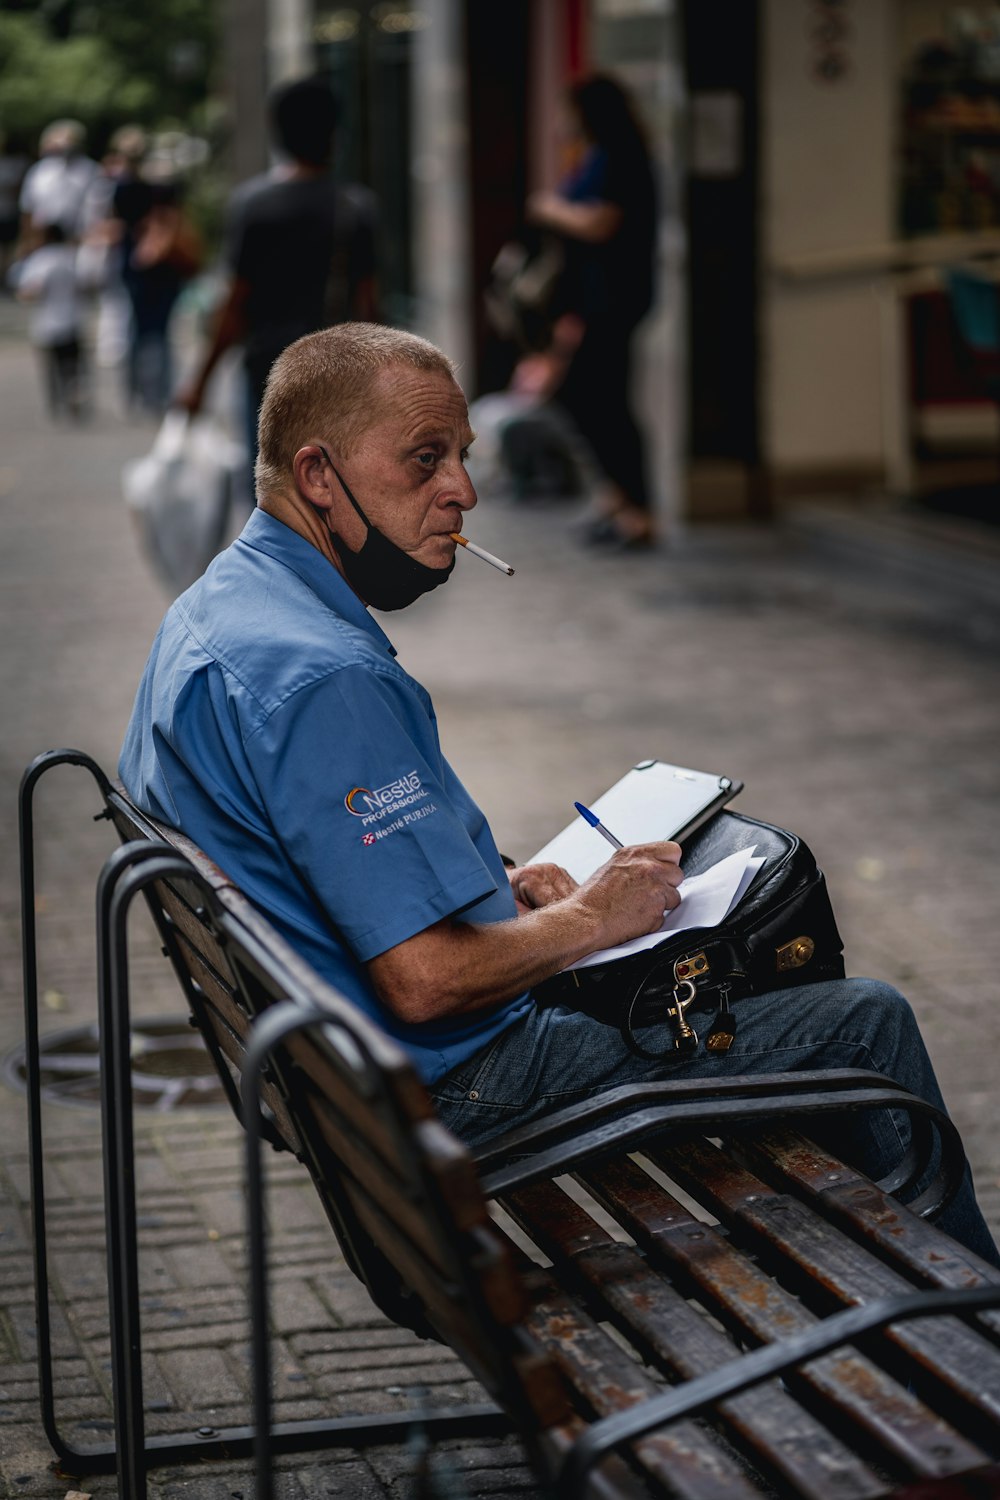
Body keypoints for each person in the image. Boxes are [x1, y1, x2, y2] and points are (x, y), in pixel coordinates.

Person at [120, 322, 999, 1268]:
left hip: (344, 1076)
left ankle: (861, 1284)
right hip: (458, 1086)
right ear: (320, 475)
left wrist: (505, 890)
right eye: (424, 460)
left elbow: (324, 861)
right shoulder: (325, 677)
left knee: (729, 984)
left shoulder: (218, 611)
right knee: (861, 1022)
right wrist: (595, 919)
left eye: (460, 455)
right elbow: (423, 981)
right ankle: (963, 1326)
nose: (461, 488)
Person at [178, 74, 376, 472]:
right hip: (335, 376)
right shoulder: (356, 208)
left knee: (271, 492)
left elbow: (233, 305)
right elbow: (370, 307)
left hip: (268, 373)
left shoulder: (254, 206)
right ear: (335, 132)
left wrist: (200, 381)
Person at [526, 73, 658, 549]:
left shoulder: (620, 157)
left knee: (602, 402)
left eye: (568, 110)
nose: (562, 120)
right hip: (597, 303)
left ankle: (637, 511)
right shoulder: (600, 156)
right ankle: (619, 499)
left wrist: (548, 208)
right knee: (591, 399)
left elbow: (602, 222)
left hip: (613, 304)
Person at [10, 222, 90, 419]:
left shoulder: (41, 260)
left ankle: (57, 402)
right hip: (73, 319)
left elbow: (29, 290)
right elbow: (88, 283)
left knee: (52, 367)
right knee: (72, 365)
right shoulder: (73, 257)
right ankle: (74, 395)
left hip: (48, 322)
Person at [17, 119, 100, 252]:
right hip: (42, 240)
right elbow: (28, 208)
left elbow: (97, 209)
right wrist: (28, 239)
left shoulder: (90, 170)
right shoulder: (39, 171)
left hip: (79, 242)